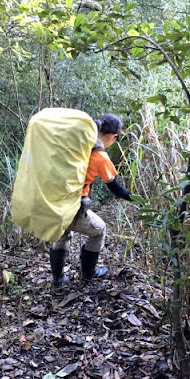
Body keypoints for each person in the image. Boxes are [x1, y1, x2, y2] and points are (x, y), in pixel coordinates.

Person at [49, 113, 135, 286]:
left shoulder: (75, 143)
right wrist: (135, 199)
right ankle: (89, 273)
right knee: (99, 230)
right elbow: (114, 187)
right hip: (72, 204)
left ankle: (58, 279)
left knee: (61, 235)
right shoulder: (99, 156)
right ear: (113, 136)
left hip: (53, 198)